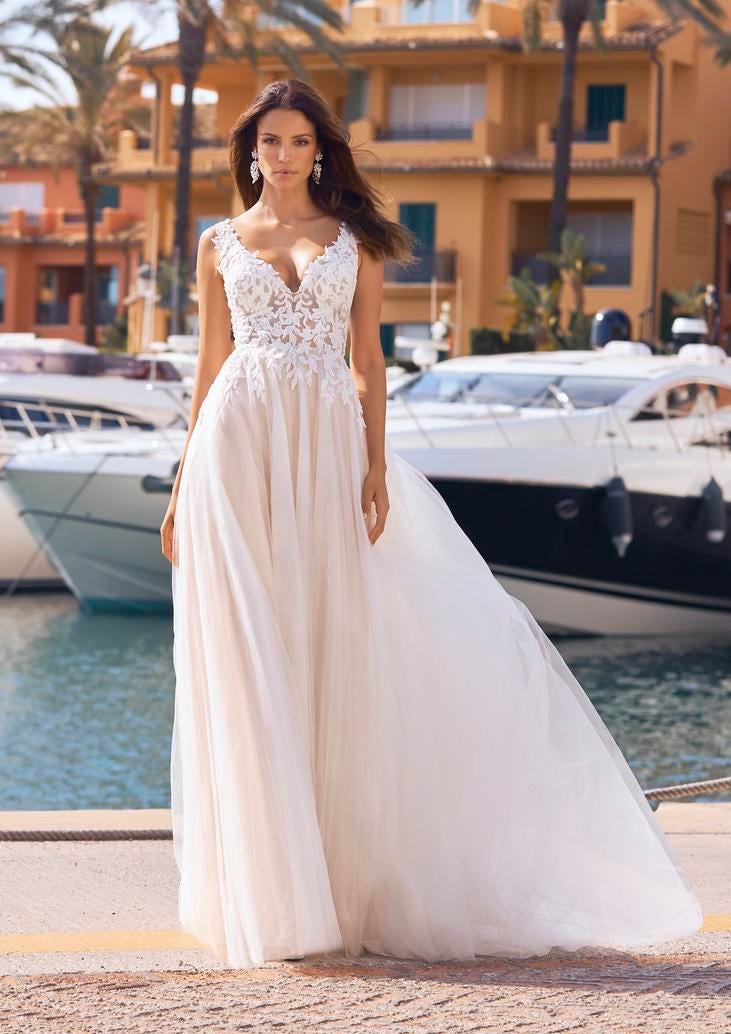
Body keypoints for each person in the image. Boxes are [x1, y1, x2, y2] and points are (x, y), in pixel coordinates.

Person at [161, 78, 702, 970]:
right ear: (250, 151)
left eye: (301, 142)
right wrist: (184, 481)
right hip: (239, 444)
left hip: (327, 441)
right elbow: (211, 364)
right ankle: (269, 888)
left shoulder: (355, 239)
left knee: (337, 639)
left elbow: (367, 358)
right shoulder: (219, 243)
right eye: (272, 142)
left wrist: (374, 465)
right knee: (249, 650)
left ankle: (343, 877)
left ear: (321, 150)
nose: (287, 156)